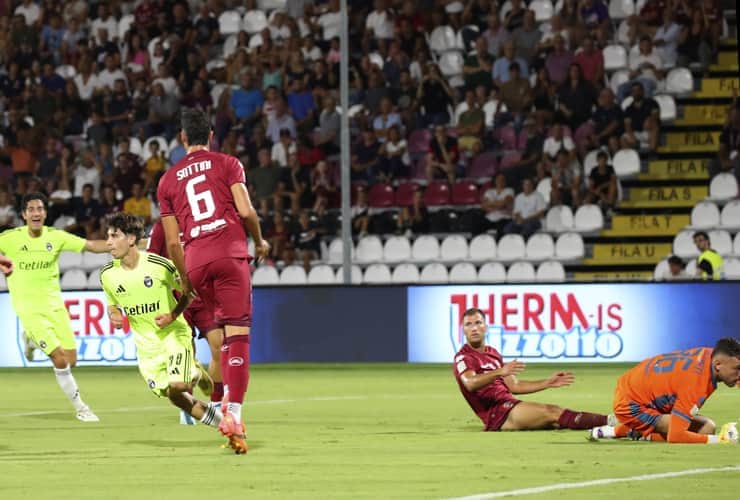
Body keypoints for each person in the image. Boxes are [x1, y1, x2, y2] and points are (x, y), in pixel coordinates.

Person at [157, 108, 270, 455]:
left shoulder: (167, 180)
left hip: (195, 261)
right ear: (210, 135)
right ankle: (232, 411)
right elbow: (246, 210)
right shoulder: (228, 163)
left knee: (219, 337)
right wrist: (259, 240)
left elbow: (173, 241)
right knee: (237, 336)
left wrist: (187, 282)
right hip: (229, 252)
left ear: (182, 139)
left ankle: (215, 399)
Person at [100, 213, 223, 433]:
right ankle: (224, 425)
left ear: (130, 239)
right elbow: (112, 304)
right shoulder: (107, 274)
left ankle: (193, 374)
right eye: (107, 236)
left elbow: (189, 291)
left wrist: (173, 315)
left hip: (172, 335)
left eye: (114, 235)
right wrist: (114, 314)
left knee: (180, 386)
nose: (108, 242)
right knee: (176, 396)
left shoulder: (159, 265)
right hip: (146, 348)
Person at [0, 192, 109, 422]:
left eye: (40, 208)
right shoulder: (9, 238)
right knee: (59, 359)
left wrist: (122, 245)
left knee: (71, 360)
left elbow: (91, 245)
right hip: (28, 308)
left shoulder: (56, 237)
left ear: (45, 213)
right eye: (31, 209)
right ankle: (82, 407)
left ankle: (29, 341)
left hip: (55, 306)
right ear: (23, 214)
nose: (36, 213)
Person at [454, 308, 611, 431]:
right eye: (468, 324)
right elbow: (470, 383)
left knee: (558, 421)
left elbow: (514, 386)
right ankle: (612, 421)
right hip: (497, 414)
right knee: (553, 412)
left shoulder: (493, 353)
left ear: (486, 327)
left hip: (509, 405)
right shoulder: (464, 357)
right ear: (463, 330)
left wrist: (547, 382)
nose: (474, 328)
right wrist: (500, 371)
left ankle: (609, 429)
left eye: (478, 323)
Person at [588, 338, 740, 443]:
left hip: (639, 389)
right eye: (737, 369)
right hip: (631, 404)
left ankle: (614, 430)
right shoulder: (696, 382)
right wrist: (719, 441)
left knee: (707, 426)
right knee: (703, 431)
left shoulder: (709, 356)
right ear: (718, 365)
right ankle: (632, 432)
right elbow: (676, 436)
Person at [147, 219, 224, 424]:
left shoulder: (204, 221)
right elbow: (151, 260)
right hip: (175, 298)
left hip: (204, 294)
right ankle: (187, 404)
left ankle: (217, 404)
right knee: (186, 351)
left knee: (219, 346)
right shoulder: (162, 227)